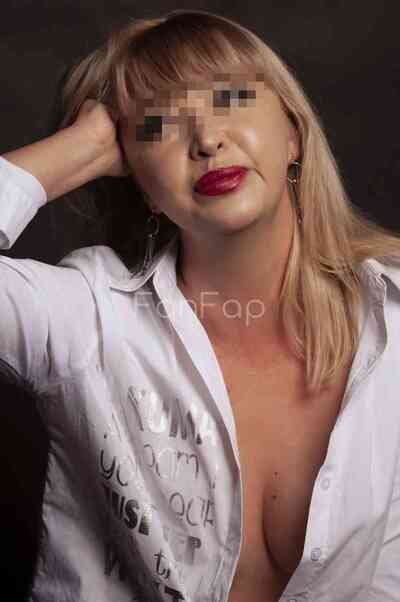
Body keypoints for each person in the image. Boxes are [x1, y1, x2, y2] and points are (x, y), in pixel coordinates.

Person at [1, 7, 400, 602]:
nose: (208, 140)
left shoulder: (391, 322)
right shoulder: (88, 317)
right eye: (158, 126)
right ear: (137, 182)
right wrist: (78, 148)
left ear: (293, 135)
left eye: (231, 98)